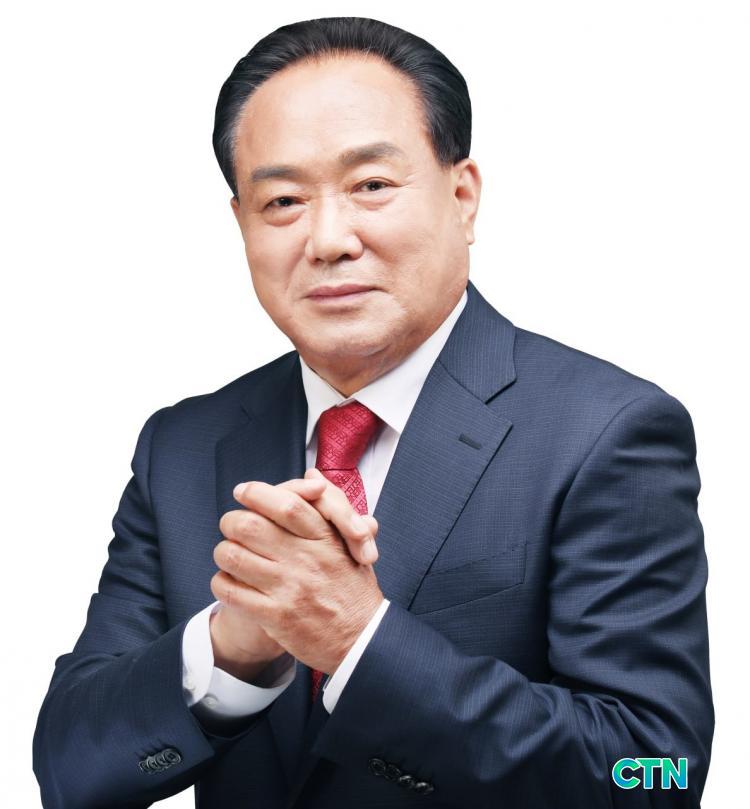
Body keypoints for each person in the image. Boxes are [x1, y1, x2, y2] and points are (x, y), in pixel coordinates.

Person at [32, 16, 714, 809]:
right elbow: (69, 773)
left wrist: (360, 641)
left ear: (463, 196)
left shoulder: (607, 431)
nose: (327, 239)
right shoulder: (182, 447)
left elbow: (657, 774)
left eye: (371, 186)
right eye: (283, 199)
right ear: (241, 224)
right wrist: (229, 651)